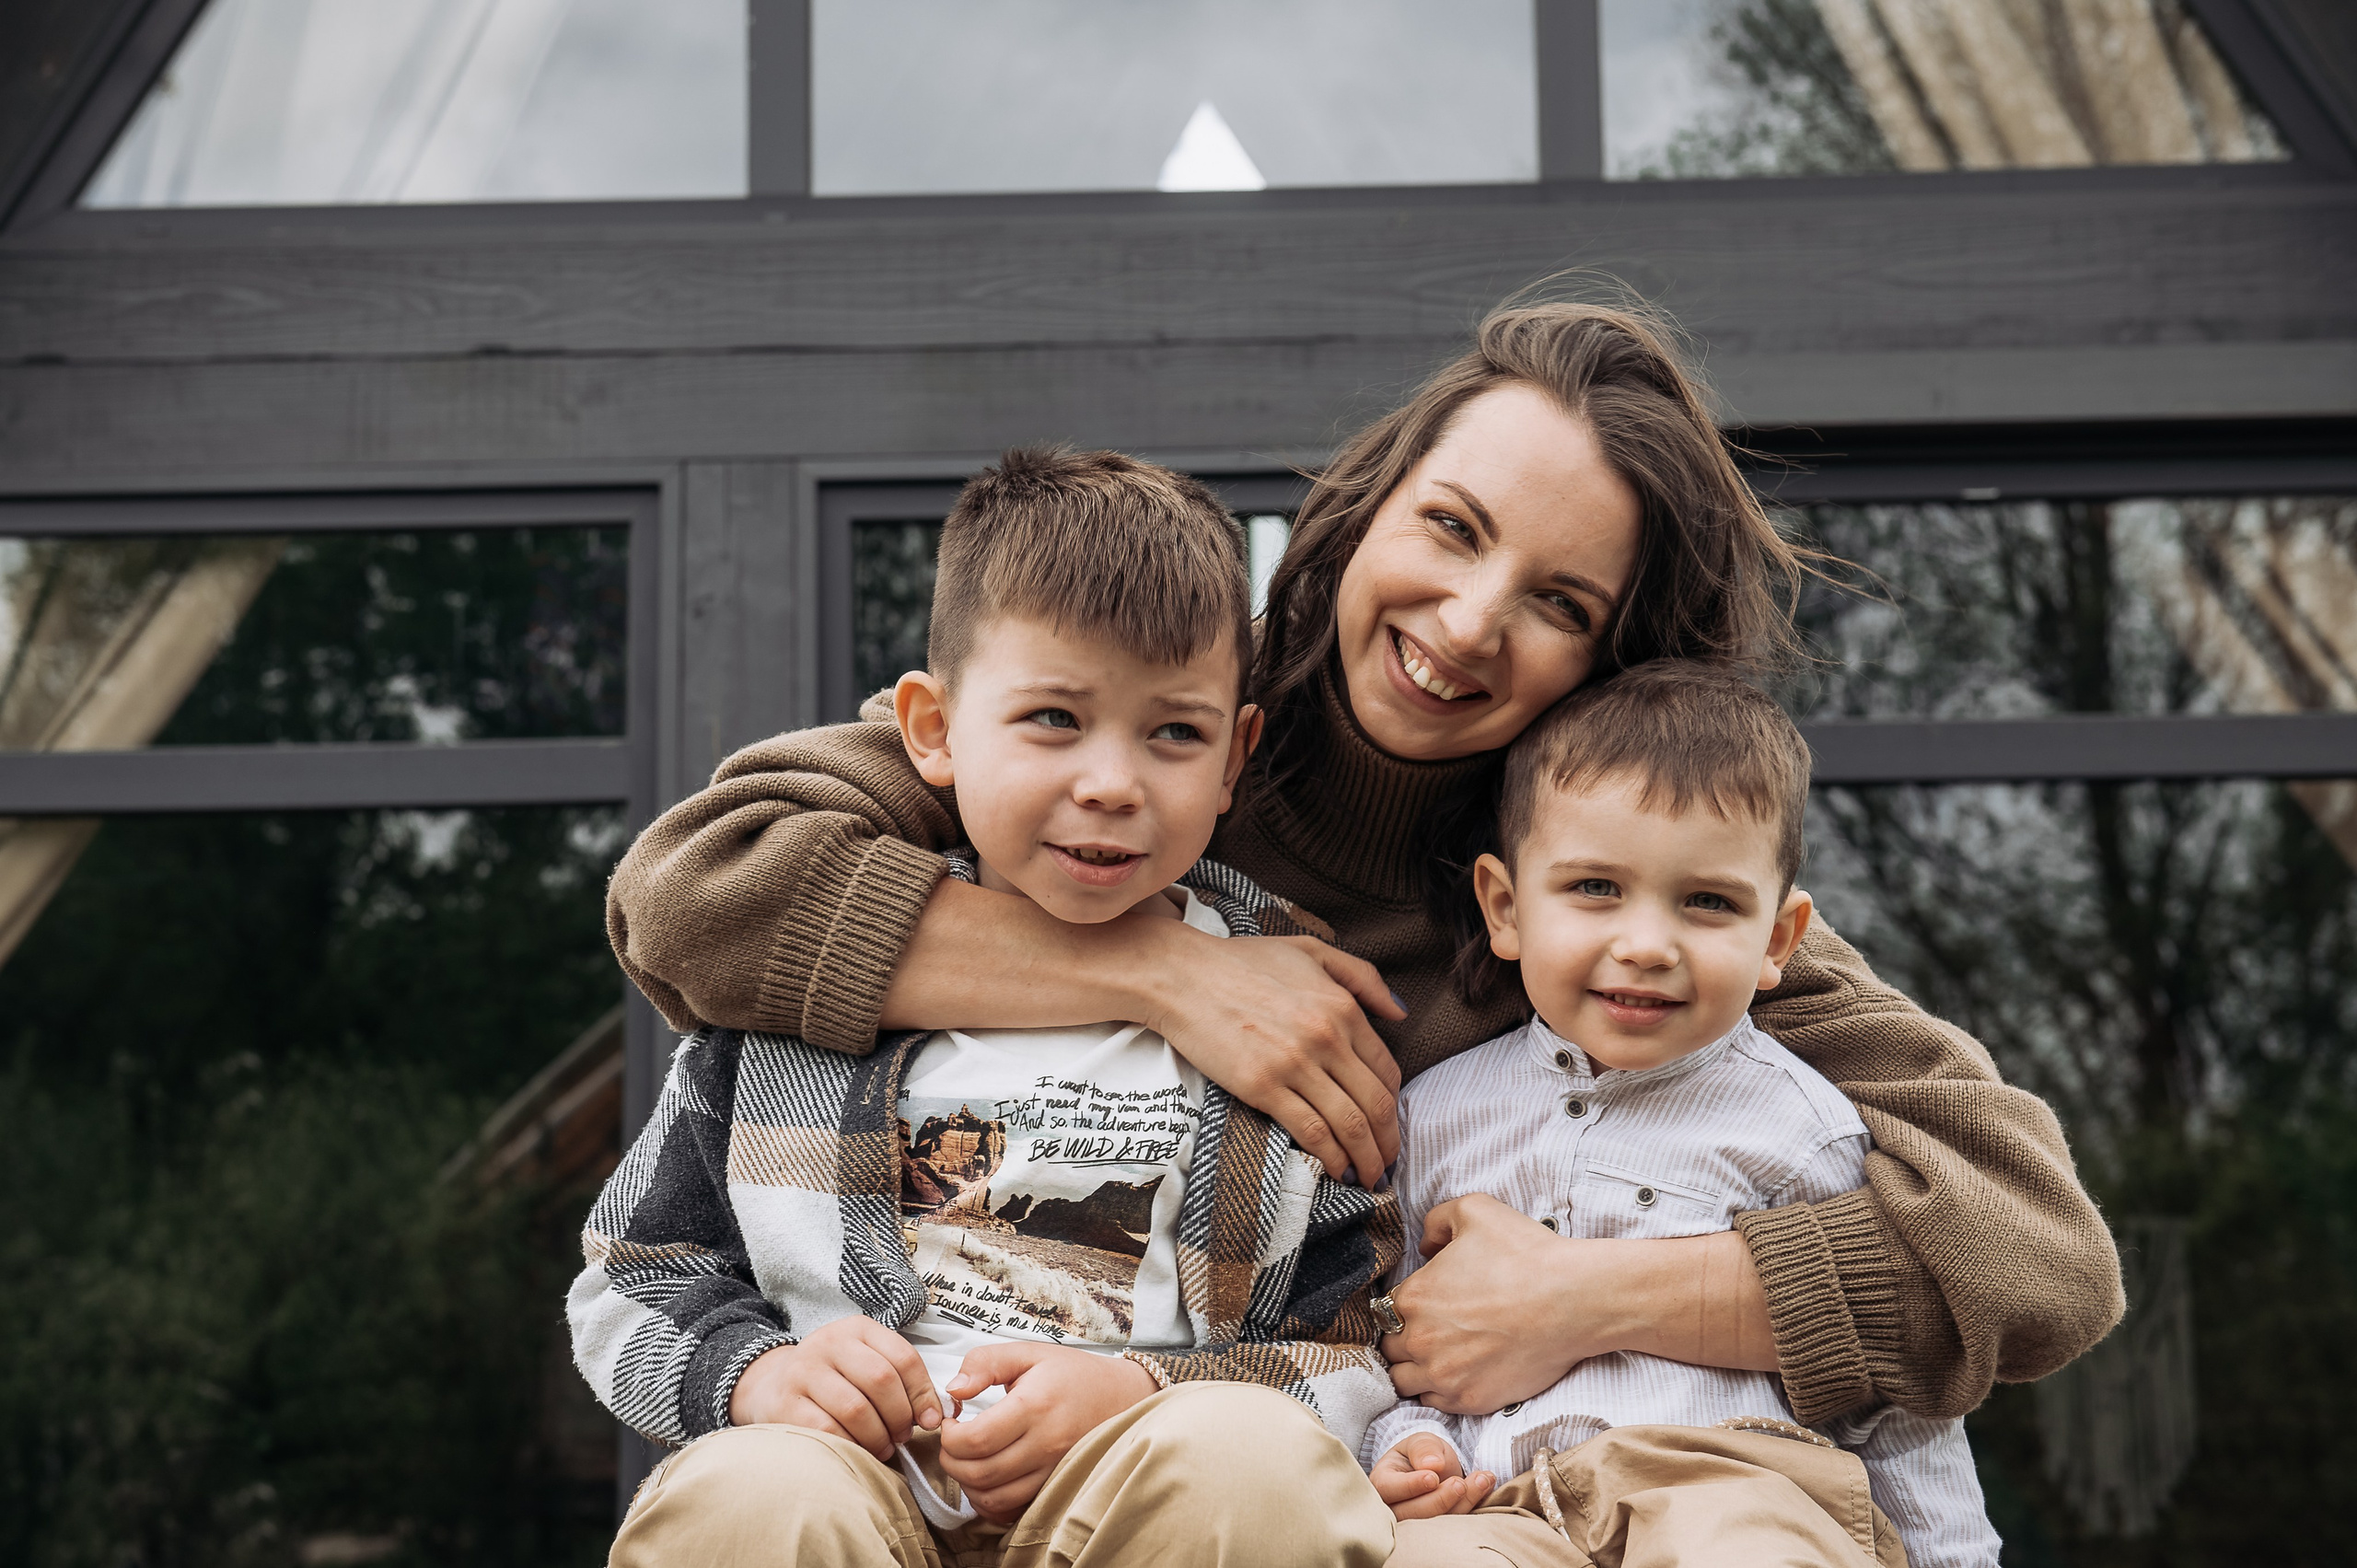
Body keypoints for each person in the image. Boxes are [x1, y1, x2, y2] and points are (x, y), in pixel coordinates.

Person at [604, 297, 2123, 1435]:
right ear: (1369, 500)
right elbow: (695, 888)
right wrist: (1159, 968)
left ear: (1615, 660)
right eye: (1450, 527)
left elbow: (2033, 1251)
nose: (1466, 618)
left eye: (1557, 601)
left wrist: (1598, 1295)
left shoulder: (1616, 901)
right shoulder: (1139, 710)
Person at [571, 447, 1400, 1568]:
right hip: (853, 1493)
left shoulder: (1291, 1006)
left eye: (1174, 732)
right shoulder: (799, 999)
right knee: (748, 1491)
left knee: (1251, 1457)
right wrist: (752, 1372)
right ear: (933, 729)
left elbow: (1354, 1344)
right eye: (1054, 717)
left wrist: (1138, 1388)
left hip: (1140, 1508)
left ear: (1233, 758)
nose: (1112, 779)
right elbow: (634, 1276)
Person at [1367, 660, 1999, 1568]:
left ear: (1777, 939)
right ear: (1504, 908)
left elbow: (1893, 1400)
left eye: (1706, 901)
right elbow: (1394, 1338)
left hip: (1731, 1484)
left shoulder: (1800, 1123)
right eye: (1594, 888)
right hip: (1505, 1502)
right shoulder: (1435, 1112)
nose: (1645, 944)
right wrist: (1402, 1442)